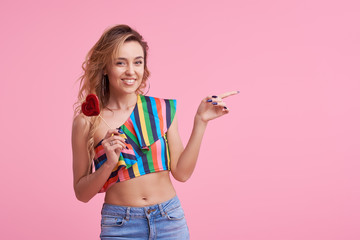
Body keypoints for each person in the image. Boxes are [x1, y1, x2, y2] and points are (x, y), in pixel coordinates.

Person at [72, 24, 238, 240]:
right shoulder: (87, 121)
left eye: (137, 62)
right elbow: (81, 194)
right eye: (120, 62)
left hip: (169, 219)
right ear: (105, 67)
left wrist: (200, 122)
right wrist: (109, 165)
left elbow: (181, 173)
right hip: (121, 225)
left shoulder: (161, 110)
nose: (131, 71)